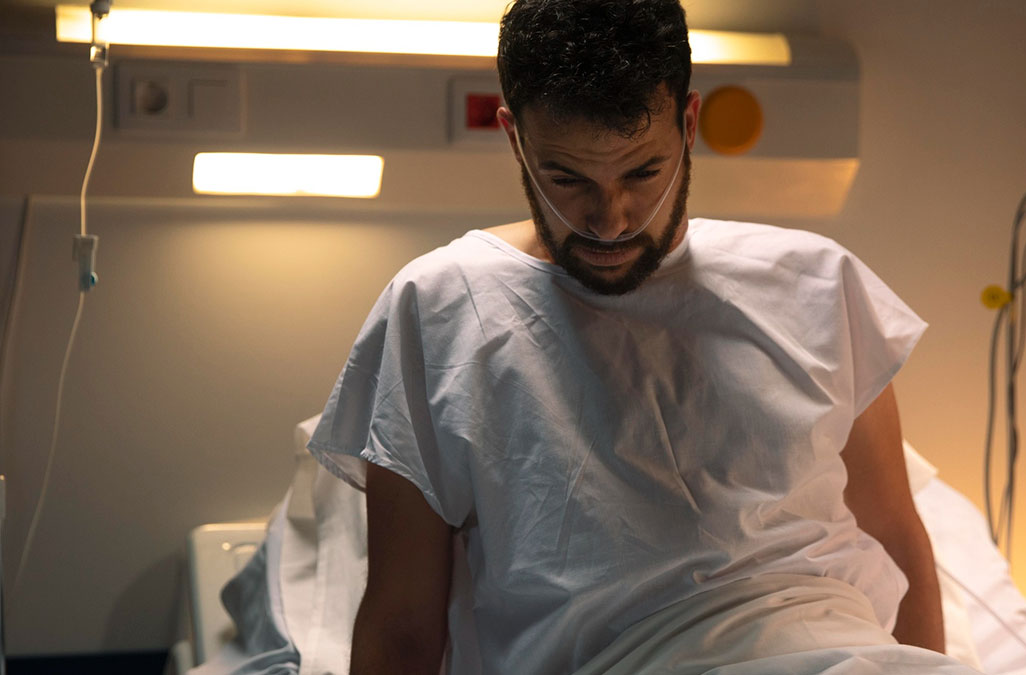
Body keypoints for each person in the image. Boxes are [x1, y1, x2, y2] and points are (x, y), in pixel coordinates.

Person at [308, 1, 978, 673]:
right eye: (567, 178)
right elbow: (401, 623)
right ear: (515, 137)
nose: (609, 220)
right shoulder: (440, 309)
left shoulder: (817, 285)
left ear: (688, 127)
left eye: (641, 173)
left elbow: (897, 541)